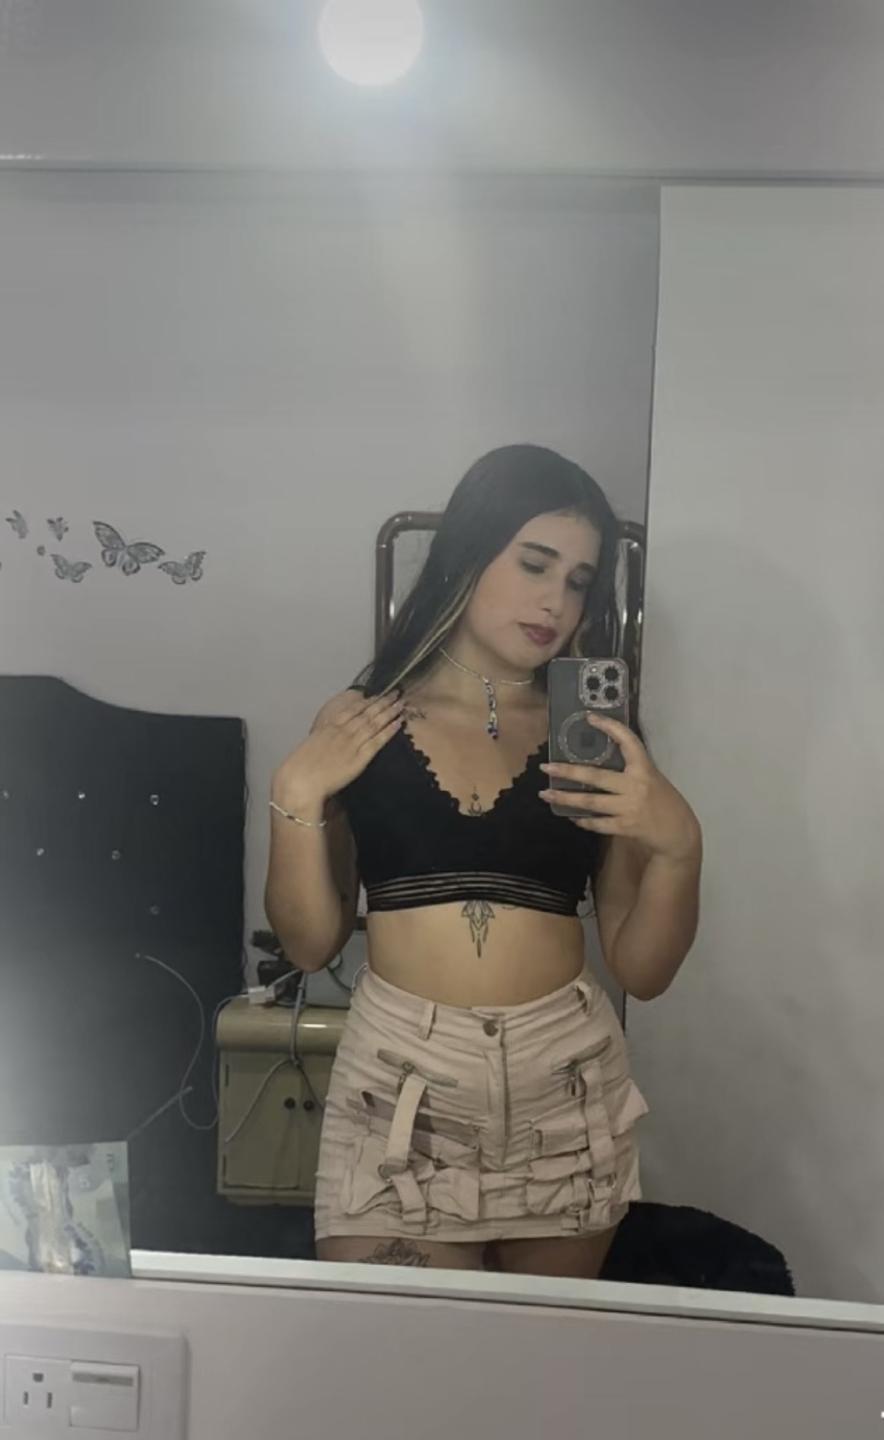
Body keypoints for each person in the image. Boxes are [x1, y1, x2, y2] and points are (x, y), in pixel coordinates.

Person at [265, 444, 702, 1276]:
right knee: (403, 1350)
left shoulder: (596, 740)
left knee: (542, 1353)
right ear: (468, 551)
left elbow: (642, 969)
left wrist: (681, 848)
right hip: (402, 1085)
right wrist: (293, 795)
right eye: (535, 564)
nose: (556, 601)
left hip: (564, 1081)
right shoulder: (363, 719)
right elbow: (310, 944)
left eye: (579, 581)